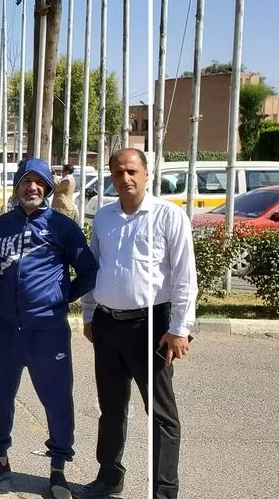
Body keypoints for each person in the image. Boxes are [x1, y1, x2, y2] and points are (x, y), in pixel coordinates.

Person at [0, 157, 98, 498]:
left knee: (57, 399)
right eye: (26, 181)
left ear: (47, 188)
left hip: (47, 330)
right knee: (1, 396)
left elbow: (88, 270)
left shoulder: (63, 226)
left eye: (39, 182)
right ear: (17, 186)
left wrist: (62, 297)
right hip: (4, 329)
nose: (32, 187)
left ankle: (58, 468)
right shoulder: (2, 225)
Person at [80, 148, 196, 499]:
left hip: (152, 327)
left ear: (146, 174)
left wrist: (179, 328)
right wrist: (89, 314)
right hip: (108, 325)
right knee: (111, 409)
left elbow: (184, 276)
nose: (125, 179)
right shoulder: (103, 218)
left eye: (132, 171)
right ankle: (109, 478)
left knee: (161, 415)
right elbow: (94, 268)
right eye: (117, 173)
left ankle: (163, 491)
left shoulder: (168, 216)